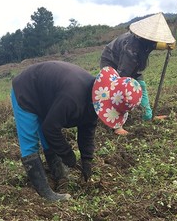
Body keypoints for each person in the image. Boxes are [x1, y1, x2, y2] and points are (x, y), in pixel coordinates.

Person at [11, 61, 142, 201]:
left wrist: (87, 160)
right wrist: (67, 154)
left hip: (48, 96)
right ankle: (45, 192)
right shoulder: (72, 98)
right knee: (31, 141)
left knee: (48, 136)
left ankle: (59, 175)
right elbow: (50, 129)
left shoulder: (94, 99)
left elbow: (87, 130)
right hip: (27, 90)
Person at [100, 12, 176, 135]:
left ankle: (147, 116)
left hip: (131, 62)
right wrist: (125, 85)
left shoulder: (146, 40)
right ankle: (117, 125)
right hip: (112, 61)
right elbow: (122, 77)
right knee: (118, 92)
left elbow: (154, 44)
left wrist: (167, 46)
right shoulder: (131, 49)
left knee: (141, 86)